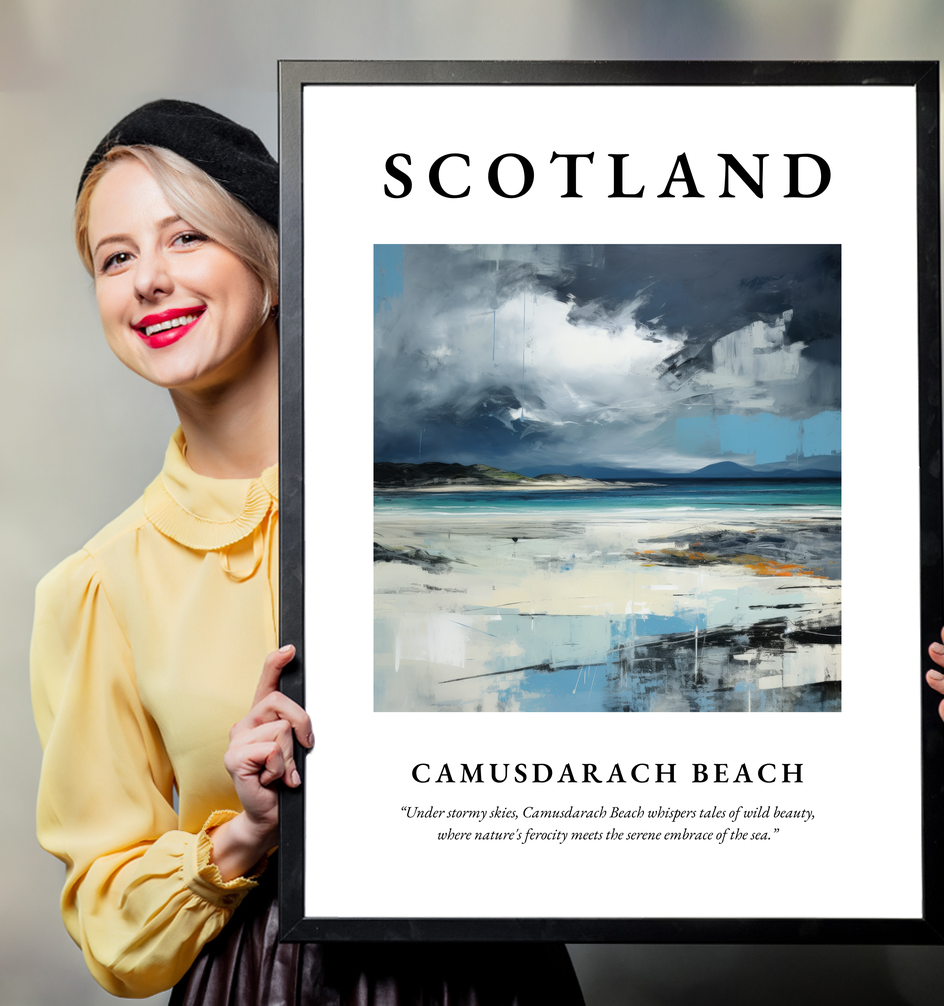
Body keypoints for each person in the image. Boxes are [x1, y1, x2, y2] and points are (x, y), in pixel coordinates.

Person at [30, 100, 585, 1004]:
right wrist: (245, 832)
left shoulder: (444, 509)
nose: (148, 281)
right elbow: (110, 924)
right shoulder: (97, 587)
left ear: (274, 264)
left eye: (186, 239)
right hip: (263, 981)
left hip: (492, 973)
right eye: (116, 257)